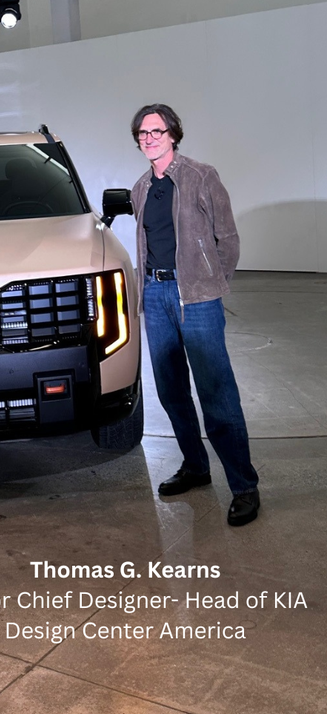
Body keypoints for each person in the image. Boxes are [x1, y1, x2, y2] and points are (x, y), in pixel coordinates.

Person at [129, 104, 260, 526]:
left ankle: (243, 485)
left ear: (173, 134)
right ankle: (196, 467)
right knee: (171, 391)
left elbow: (229, 238)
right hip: (156, 293)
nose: (148, 138)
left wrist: (211, 284)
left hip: (197, 299)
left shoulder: (202, 176)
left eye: (156, 131)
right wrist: (146, 291)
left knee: (217, 395)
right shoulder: (141, 187)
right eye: (141, 133)